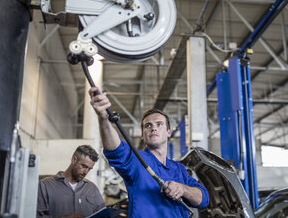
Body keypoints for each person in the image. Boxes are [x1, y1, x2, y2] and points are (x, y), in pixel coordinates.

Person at [89, 86, 209, 218]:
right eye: (148, 125)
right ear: (142, 135)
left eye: (159, 124)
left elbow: (203, 199)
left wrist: (183, 189)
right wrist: (103, 118)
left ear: (169, 132)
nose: (153, 128)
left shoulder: (179, 169)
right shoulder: (137, 160)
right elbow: (116, 150)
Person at [37, 145, 106, 218]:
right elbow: (35, 215)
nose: (86, 172)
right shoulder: (45, 185)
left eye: (89, 169)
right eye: (84, 166)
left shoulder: (92, 189)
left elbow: (103, 215)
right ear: (74, 160)